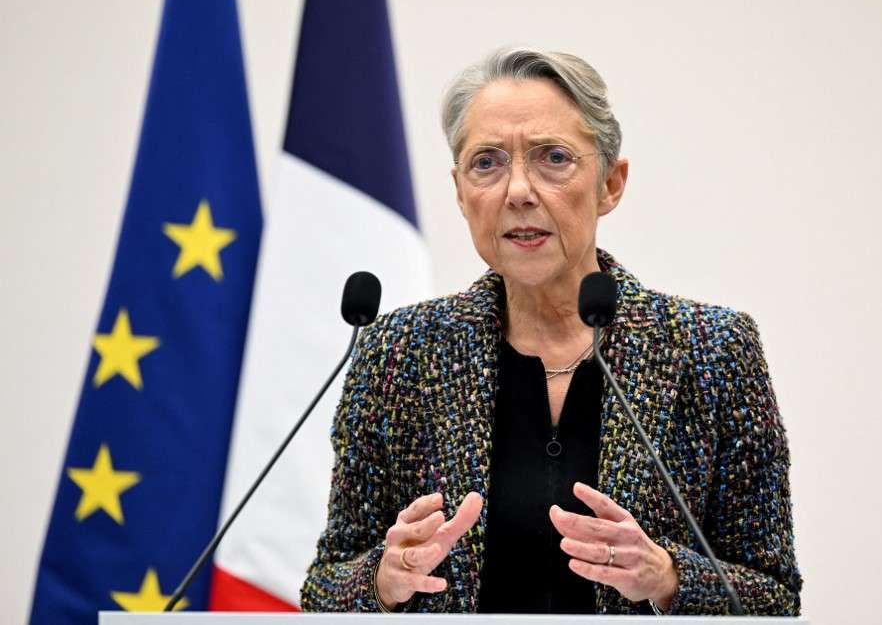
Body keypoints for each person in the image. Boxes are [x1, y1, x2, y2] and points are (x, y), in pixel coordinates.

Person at [300, 47, 801, 615]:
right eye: (486, 162)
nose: (517, 191)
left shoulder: (712, 351)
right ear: (461, 192)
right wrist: (381, 580)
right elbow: (324, 587)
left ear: (611, 184)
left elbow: (775, 600)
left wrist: (667, 576)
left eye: (553, 158)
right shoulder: (399, 353)